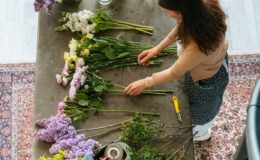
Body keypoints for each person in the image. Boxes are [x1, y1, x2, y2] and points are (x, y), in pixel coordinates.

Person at [124, 0, 229, 141]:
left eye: (166, 11)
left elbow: (174, 73)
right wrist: (157, 49)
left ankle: (202, 133)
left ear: (181, 11)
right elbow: (181, 27)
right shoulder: (200, 8)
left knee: (201, 113)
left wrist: (146, 82)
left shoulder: (198, 45)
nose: (164, 13)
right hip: (209, 61)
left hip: (207, 79)